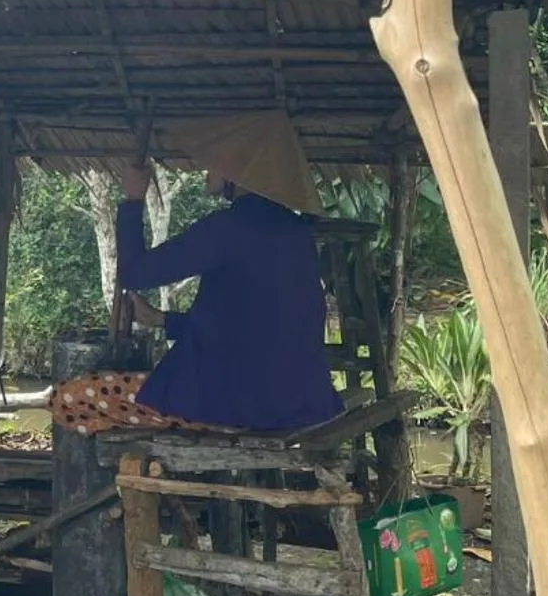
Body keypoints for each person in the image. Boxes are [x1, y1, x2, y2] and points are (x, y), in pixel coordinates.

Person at [51, 110, 342, 436]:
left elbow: (134, 274)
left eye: (218, 159)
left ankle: (154, 470)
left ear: (239, 170)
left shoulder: (229, 228)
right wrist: (162, 320)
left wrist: (132, 200)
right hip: (302, 403)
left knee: (69, 398)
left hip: (241, 408)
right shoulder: (295, 231)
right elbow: (248, 326)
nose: (209, 166)